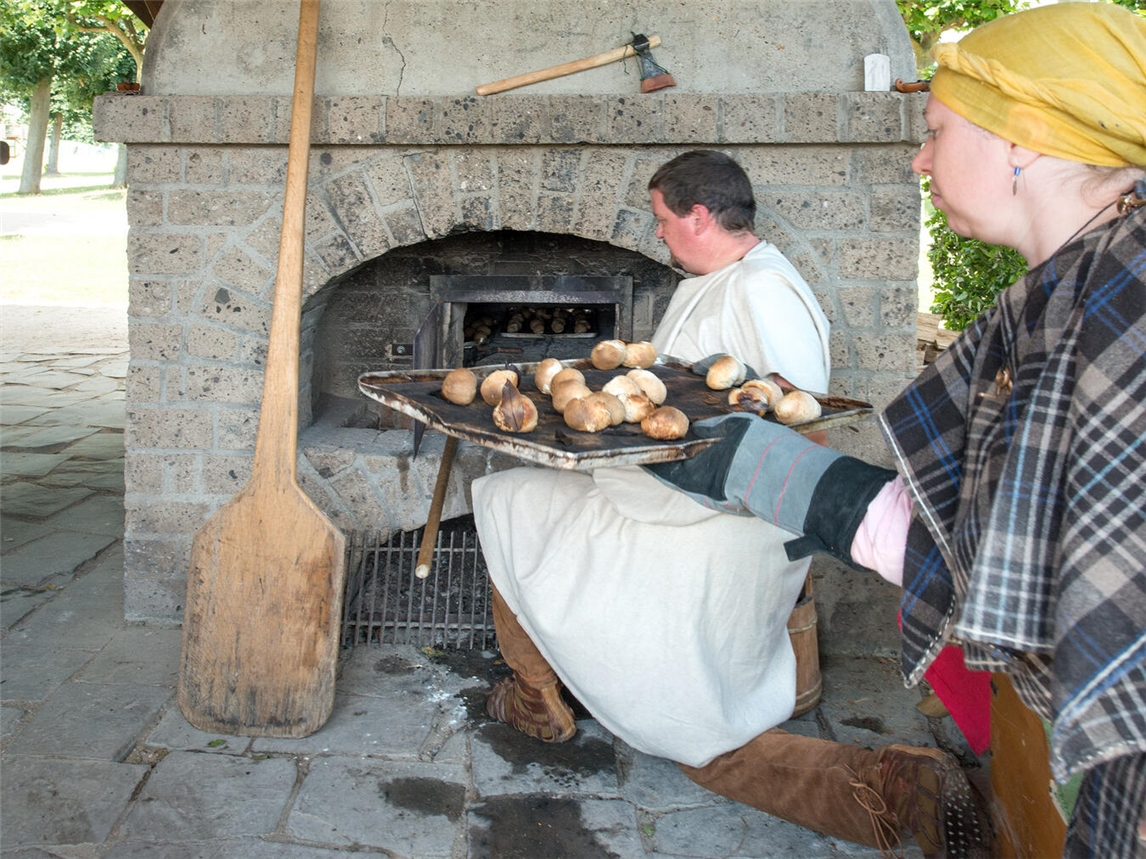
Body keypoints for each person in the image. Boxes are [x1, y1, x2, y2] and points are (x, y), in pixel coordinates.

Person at [649, 4, 1146, 856]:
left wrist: (770, 470)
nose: (919, 158)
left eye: (938, 130)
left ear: (1021, 139)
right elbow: (1008, 531)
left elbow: (1087, 587)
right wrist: (773, 473)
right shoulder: (1069, 284)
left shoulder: (1119, 299)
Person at [473, 149, 991, 857]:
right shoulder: (718, 278)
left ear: (699, 214)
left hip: (717, 521)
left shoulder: (764, 291)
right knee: (510, 491)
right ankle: (540, 690)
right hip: (668, 492)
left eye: (662, 220)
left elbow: (790, 417)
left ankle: (889, 783)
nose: (657, 234)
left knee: (693, 732)